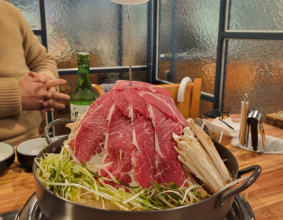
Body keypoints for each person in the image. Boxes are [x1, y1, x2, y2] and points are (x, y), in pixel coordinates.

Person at [0, 1, 70, 145]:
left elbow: (42, 60)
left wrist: (46, 82)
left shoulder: (7, 10)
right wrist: (15, 96)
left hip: (31, 143)